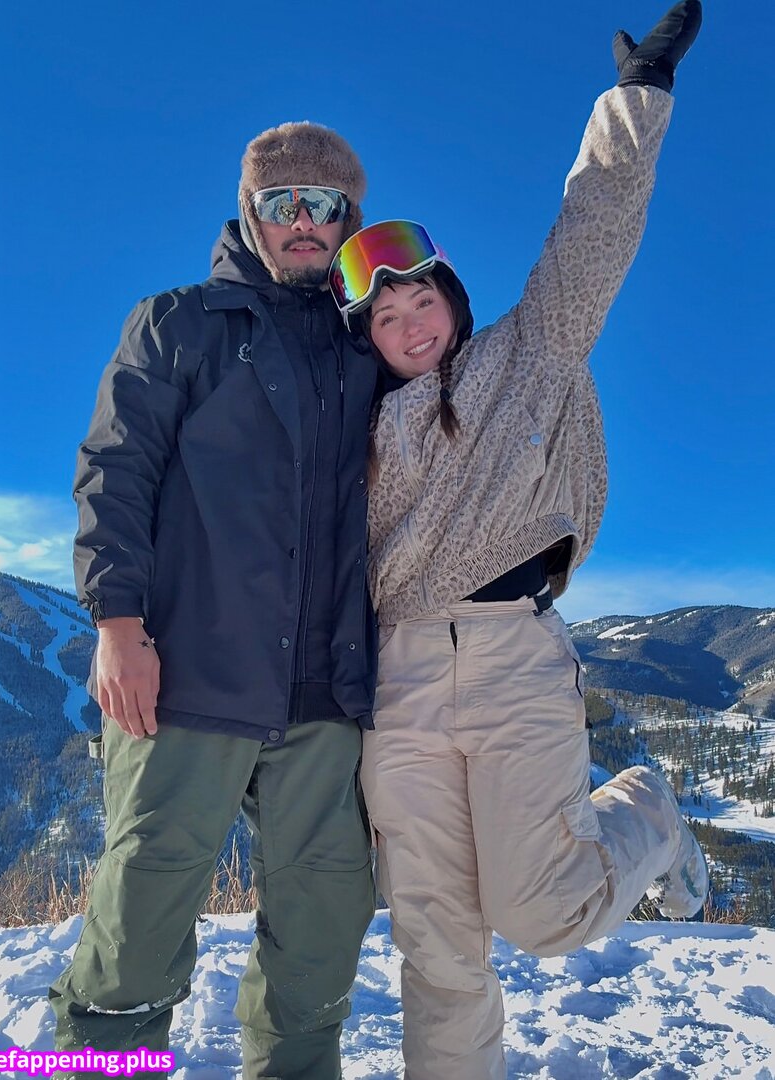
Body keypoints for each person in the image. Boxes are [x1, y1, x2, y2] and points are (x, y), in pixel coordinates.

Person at [328, 4, 706, 1078]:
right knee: (437, 943)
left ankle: (648, 811)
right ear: (366, 338)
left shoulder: (525, 356)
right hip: (400, 684)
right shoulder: (346, 435)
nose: (408, 323)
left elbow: (591, 231)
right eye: (383, 316)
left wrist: (634, 102)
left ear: (451, 298)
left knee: (546, 915)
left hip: (509, 662)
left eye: (419, 298)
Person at [49, 122, 379, 1080]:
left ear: (348, 219)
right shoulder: (179, 323)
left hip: (323, 693)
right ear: (251, 211)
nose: (304, 222)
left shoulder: (367, 348)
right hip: (189, 673)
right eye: (284, 203)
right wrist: (117, 625)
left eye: (325, 205)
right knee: (141, 914)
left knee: (322, 924)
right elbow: (115, 471)